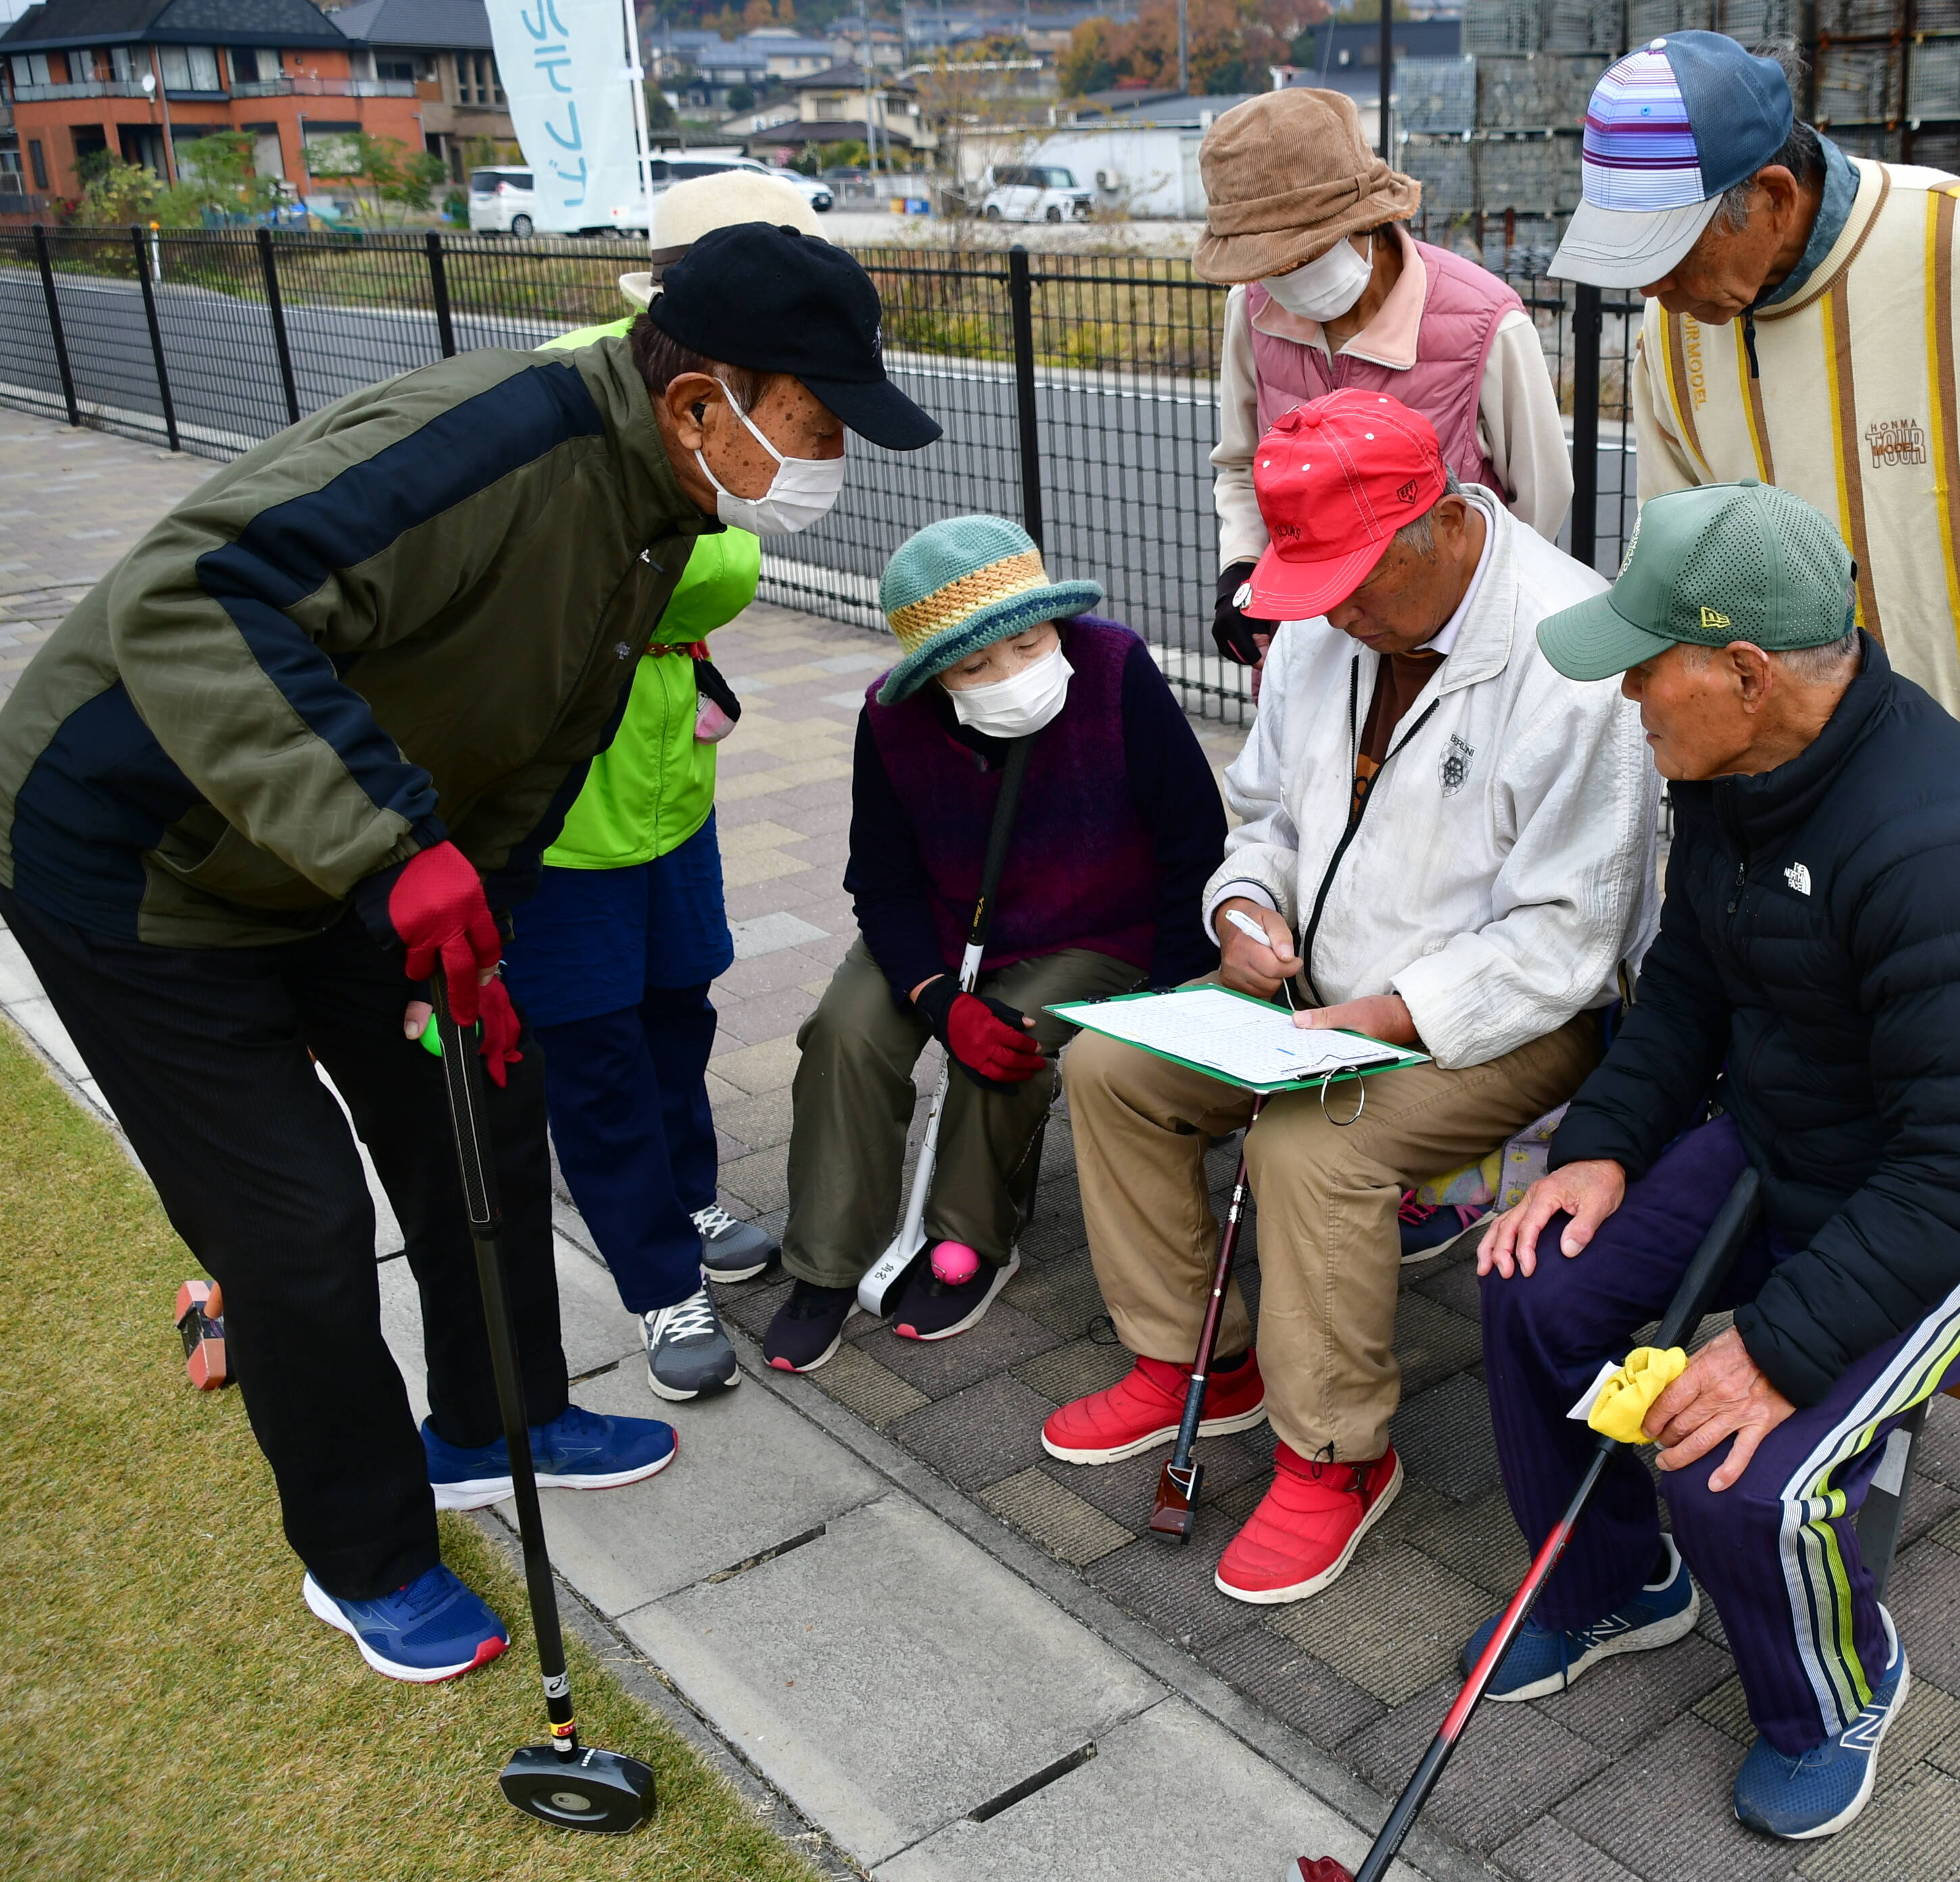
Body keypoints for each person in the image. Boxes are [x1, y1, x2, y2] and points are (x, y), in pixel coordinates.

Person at [0, 220, 939, 1682]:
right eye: (814, 427)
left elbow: (537, 737)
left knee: (477, 1110)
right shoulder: (488, 447)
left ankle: (494, 1425)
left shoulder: (655, 512)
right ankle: (365, 1556)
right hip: (136, 863)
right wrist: (394, 849)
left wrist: (477, 919)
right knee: (297, 1222)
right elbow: (198, 596)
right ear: (701, 401)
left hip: (330, 849)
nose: (825, 464)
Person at [1470, 481, 1960, 1840]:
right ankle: (1608, 1585)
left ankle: (1839, 1689)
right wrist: (1598, 1149)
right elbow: (1691, 990)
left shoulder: (1943, 851)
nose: (1629, 692)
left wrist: (1772, 1349)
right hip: (1787, 1141)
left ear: (1745, 674)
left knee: (1736, 1472)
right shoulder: (1729, 775)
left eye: (1649, 665)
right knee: (1535, 1280)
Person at [1041, 388, 1657, 1605]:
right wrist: (1239, 911)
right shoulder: (1332, 617)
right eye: (1309, 579)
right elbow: (1264, 812)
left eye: (1351, 579)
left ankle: (1336, 1455)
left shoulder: (1570, 645)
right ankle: (1195, 1363)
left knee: (1311, 1147)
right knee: (1106, 1069)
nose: (1330, 611)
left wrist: (1388, 1015)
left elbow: (1570, 935)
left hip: (1510, 1018)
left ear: (1436, 524)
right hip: (1311, 986)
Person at [1552, 32, 1960, 818]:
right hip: (1776, 793)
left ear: (1772, 196)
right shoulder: (1671, 330)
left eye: (1672, 250)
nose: (1655, 286)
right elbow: (1682, 563)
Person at [759, 515, 1228, 1369]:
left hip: (1096, 929)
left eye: (1028, 642)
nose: (1009, 673)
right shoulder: (889, 722)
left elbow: (1193, 841)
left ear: (1057, 622)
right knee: (845, 1031)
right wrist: (935, 997)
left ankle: (973, 1237)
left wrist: (1166, 995)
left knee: (1007, 1040)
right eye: (973, 665)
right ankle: (827, 1260)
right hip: (944, 927)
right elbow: (882, 880)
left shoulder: (1117, 668)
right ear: (932, 675)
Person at [508, 170, 820, 1403]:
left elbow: (703, 575)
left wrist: (701, 662)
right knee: (588, 1046)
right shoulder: (573, 393)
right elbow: (686, 569)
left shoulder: (742, 396)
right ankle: (653, 1280)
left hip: (666, 782)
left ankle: (686, 1193)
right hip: (559, 810)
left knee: (678, 1006)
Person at [1195, 87, 1575, 679]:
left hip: (1449, 642)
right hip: (1312, 631)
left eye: (1304, 253)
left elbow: (1540, 498)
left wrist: (1470, 620)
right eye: (1271, 264)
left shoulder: (1484, 324)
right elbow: (1244, 462)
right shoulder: (1251, 310)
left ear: (1365, 219)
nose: (1286, 276)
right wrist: (1242, 565)